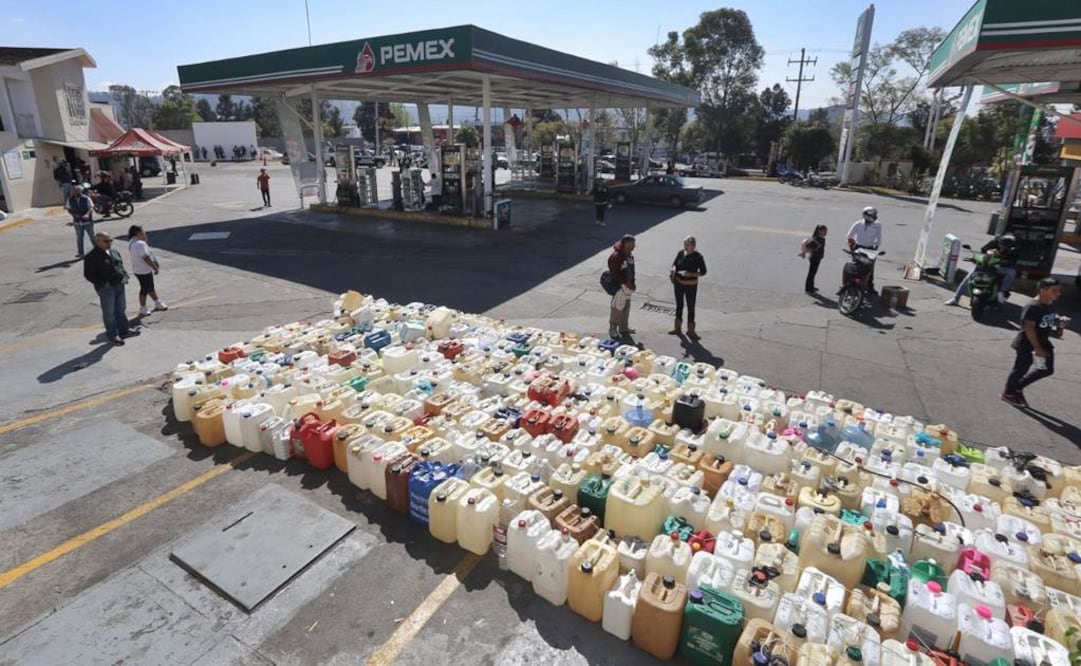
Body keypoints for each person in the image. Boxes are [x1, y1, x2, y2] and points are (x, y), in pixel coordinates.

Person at [1002, 278, 1069, 407]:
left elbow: (1045, 326)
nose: (1058, 293)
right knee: (1021, 368)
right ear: (1042, 290)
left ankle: (1018, 387)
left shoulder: (1049, 304)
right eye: (1054, 291)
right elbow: (1029, 328)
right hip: (1027, 343)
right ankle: (1008, 393)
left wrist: (1059, 326)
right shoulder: (1032, 306)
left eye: (1059, 291)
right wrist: (1037, 348)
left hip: (1043, 342)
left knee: (1046, 369)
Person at [83, 232, 139, 345]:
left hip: (119, 284)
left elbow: (119, 266)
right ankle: (112, 335)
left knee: (121, 308)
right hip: (106, 288)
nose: (109, 243)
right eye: (106, 241)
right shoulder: (91, 256)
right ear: (97, 241)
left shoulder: (114, 252)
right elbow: (89, 275)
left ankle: (124, 330)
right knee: (109, 312)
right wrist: (104, 284)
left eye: (110, 240)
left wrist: (124, 276)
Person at [945, 234, 1019, 306]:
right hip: (985, 265)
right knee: (968, 278)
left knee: (1011, 273)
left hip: (999, 267)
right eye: (1001, 244)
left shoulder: (1014, 251)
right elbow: (983, 250)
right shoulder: (994, 243)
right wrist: (984, 255)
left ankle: (1002, 292)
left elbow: (1013, 262)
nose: (1002, 246)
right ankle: (955, 298)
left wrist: (1003, 262)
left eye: (1005, 246)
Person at [668, 236, 707, 339]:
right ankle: (677, 328)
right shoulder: (681, 253)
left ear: (693, 246)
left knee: (691, 307)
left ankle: (691, 331)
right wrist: (672, 270)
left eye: (687, 244)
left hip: (691, 285)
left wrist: (691, 274)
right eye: (684, 244)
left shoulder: (698, 257)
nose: (685, 246)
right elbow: (674, 264)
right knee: (679, 304)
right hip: (679, 283)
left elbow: (703, 272)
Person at [127, 225, 168, 316]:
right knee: (145, 289)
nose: (145, 233)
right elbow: (146, 257)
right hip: (143, 270)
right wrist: (155, 267)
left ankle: (158, 302)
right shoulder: (140, 244)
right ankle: (143, 308)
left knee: (150, 287)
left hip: (138, 269)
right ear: (138, 233)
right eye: (143, 231)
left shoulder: (132, 242)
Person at [845, 206, 882, 294]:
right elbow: (849, 236)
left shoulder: (878, 225)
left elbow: (879, 237)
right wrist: (851, 245)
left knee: (870, 269)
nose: (874, 217)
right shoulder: (858, 224)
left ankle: (869, 287)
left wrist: (876, 246)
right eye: (872, 215)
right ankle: (849, 284)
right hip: (859, 248)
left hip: (870, 249)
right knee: (856, 267)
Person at [607, 234, 636, 339]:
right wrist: (622, 284)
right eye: (632, 244)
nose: (634, 246)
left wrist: (632, 283)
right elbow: (614, 272)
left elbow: (632, 270)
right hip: (619, 287)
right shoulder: (616, 256)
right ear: (626, 244)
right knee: (617, 309)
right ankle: (613, 329)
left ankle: (623, 327)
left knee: (626, 307)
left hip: (628, 287)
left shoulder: (629, 255)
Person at [66, 184, 95, 258]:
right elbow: (69, 209)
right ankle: (81, 253)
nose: (75, 192)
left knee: (92, 236)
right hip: (77, 222)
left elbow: (91, 207)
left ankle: (98, 251)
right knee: (79, 238)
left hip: (87, 221)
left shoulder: (86, 198)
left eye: (76, 190)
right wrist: (73, 214)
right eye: (73, 191)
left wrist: (87, 214)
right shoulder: (70, 199)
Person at [802, 225, 828, 294]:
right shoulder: (816, 238)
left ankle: (811, 286)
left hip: (818, 258)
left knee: (813, 273)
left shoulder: (821, 238)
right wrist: (815, 248)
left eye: (825, 231)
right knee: (811, 273)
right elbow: (809, 245)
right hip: (814, 258)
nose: (825, 232)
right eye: (824, 231)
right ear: (819, 231)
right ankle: (808, 289)